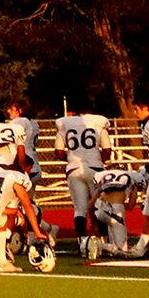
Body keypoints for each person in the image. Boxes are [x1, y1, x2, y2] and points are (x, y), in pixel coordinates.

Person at [56, 108, 111, 259]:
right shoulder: (99, 122)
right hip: (95, 169)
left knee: (79, 209)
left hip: (73, 168)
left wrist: (71, 160)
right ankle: (104, 242)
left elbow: (58, 151)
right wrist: (99, 161)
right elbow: (107, 150)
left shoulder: (65, 123)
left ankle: (82, 244)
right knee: (100, 206)